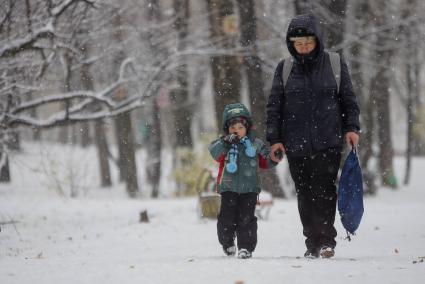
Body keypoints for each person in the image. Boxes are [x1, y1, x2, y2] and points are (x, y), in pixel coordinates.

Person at [266, 14, 360, 259]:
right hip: (295, 144)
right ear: (291, 44)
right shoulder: (285, 69)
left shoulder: (335, 64)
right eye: (298, 43)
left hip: (328, 141)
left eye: (308, 42)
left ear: (317, 40)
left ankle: (327, 241)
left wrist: (352, 128)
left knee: (325, 190)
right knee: (305, 193)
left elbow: (348, 100)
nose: (304, 47)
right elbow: (274, 106)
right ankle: (312, 241)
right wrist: (274, 138)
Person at [209, 102, 277, 259]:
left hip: (250, 188)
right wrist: (225, 142)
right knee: (227, 217)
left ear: (247, 127)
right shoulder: (224, 144)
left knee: (246, 218)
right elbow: (214, 153)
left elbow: (265, 161)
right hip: (228, 187)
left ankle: (246, 247)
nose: (237, 131)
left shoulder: (255, 144)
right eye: (233, 128)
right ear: (227, 129)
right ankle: (227, 243)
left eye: (240, 127)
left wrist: (274, 158)